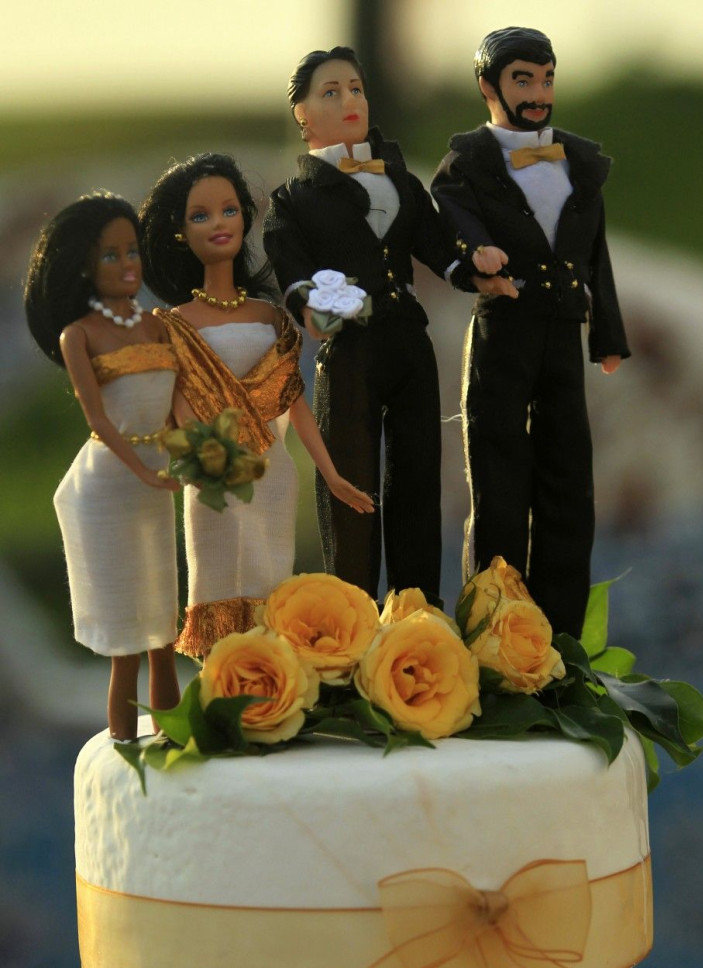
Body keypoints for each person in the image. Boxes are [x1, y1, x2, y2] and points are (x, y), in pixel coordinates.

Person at [432, 27, 630, 637]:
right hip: (504, 330)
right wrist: (475, 255)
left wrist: (607, 336)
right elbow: (452, 215)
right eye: (524, 79)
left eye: (546, 77)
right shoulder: (468, 158)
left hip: (563, 332)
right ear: (489, 86)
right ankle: (491, 629)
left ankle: (560, 639)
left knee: (568, 476)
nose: (539, 92)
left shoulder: (578, 160)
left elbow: (596, 254)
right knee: (497, 477)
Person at [139, 152, 373, 658]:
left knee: (271, 579)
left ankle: (273, 678)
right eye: (200, 216)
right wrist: (198, 455)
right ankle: (224, 683)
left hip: (272, 470)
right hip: (215, 473)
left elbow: (295, 402)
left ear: (245, 215)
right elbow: (176, 405)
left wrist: (330, 475)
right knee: (217, 577)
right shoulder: (175, 323)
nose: (218, 224)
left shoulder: (270, 317)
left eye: (228, 210)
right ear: (180, 232)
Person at [263, 46, 459, 606]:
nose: (349, 100)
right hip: (350, 351)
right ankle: (350, 610)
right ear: (303, 116)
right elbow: (294, 276)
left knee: (418, 477)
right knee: (349, 480)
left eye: (356, 88)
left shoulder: (400, 180)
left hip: (408, 341)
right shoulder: (294, 200)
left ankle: (419, 607)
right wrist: (320, 305)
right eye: (331, 92)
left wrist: (476, 267)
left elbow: (438, 247)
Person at [24, 193, 181, 740]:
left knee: (164, 627)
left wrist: (192, 452)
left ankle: (169, 735)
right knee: (126, 640)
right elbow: (98, 418)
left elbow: (177, 403)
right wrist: (143, 472)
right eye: (110, 255)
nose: (127, 264)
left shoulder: (159, 326)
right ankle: (123, 744)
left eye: (131, 251)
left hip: (158, 477)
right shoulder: (80, 335)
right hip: (109, 485)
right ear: (85, 266)